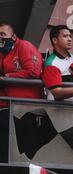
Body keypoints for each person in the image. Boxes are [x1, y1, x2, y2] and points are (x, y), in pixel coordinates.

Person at [0, 22, 43, 162]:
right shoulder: (3, 53)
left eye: (2, 35)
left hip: (26, 109)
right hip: (8, 107)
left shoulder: (24, 46)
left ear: (13, 36)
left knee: (24, 153)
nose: (0, 38)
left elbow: (33, 71)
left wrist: (7, 77)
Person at [41, 25, 73, 100]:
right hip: (60, 110)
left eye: (70, 36)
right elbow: (57, 93)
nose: (69, 39)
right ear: (55, 40)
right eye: (65, 36)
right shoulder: (51, 63)